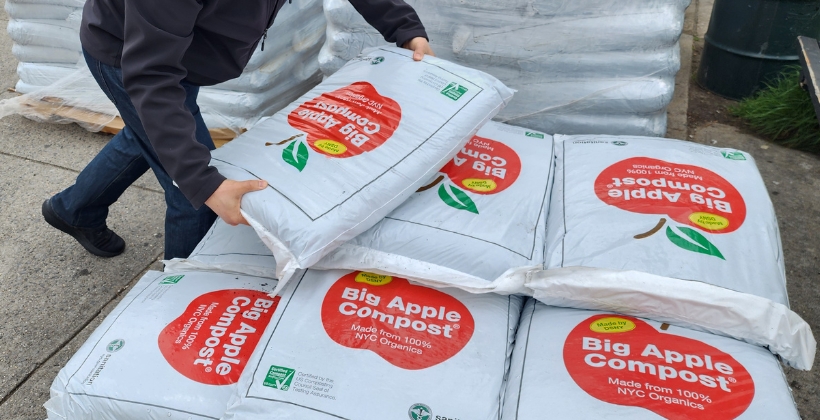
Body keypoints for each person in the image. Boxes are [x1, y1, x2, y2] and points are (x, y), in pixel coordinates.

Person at [41, 0, 434, 260]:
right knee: (194, 196)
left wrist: (405, 29)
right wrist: (202, 183)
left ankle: (74, 209)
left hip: (184, 51)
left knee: (151, 135)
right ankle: (183, 297)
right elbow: (152, 76)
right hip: (128, 55)